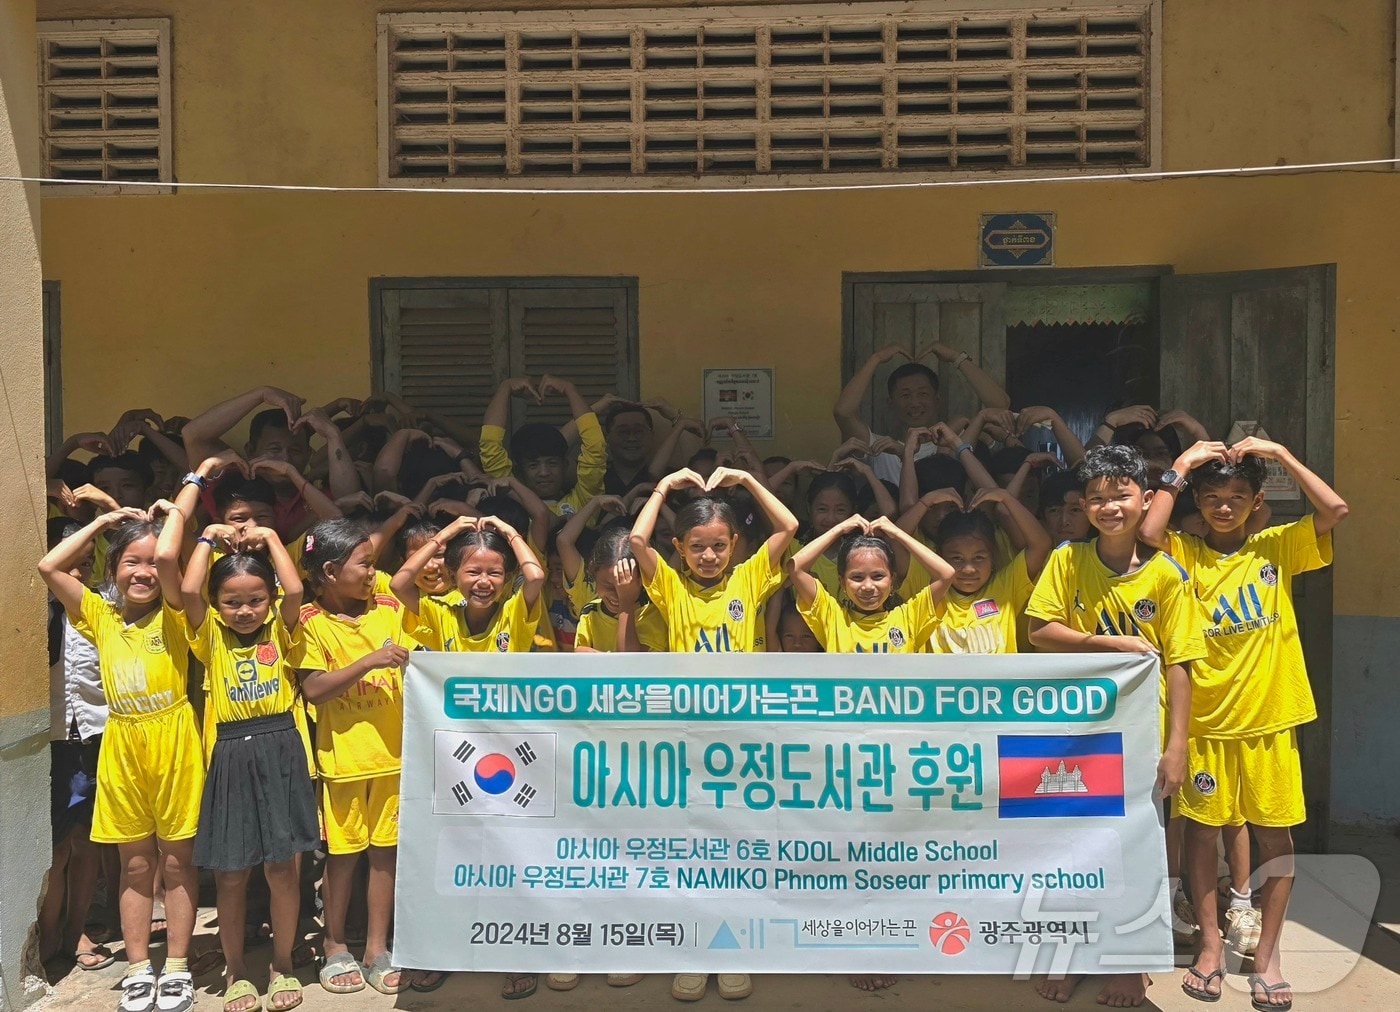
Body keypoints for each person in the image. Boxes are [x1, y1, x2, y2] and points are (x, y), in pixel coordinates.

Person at [1140, 438, 1347, 1009]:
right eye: (1212, 497)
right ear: (1198, 502)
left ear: (1257, 502)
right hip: (1204, 727)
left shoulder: (1276, 547)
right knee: (1202, 837)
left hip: (1269, 725)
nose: (1224, 507)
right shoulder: (1182, 551)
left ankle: (1267, 956)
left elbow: (1334, 511)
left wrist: (1281, 455)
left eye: (1237, 497)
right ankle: (1210, 945)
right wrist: (1179, 468)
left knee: (1274, 838)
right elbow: (1148, 533)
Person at [1024, 445, 1206, 1009]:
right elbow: (1039, 629)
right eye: (1097, 498)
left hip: (1142, 738)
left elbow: (1180, 665)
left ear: (1146, 501)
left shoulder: (1168, 575)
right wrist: (1111, 644)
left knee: (1138, 851)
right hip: (1077, 733)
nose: (1109, 507)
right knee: (1071, 848)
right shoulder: (1066, 560)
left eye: (1121, 495)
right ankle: (1073, 954)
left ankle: (1130, 965)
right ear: (1083, 505)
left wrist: (1176, 747)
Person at [630, 466, 797, 1002]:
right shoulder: (671, 589)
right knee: (689, 850)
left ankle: (733, 952)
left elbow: (789, 525)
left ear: (734, 545)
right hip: (686, 740)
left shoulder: (750, 578)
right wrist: (664, 488)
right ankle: (691, 952)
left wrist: (746, 480)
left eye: (719, 545)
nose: (708, 556)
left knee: (739, 849)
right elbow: (636, 539)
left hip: (745, 739)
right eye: (696, 546)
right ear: (679, 547)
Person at [39, 505, 203, 1012]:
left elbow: (173, 556)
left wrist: (176, 508)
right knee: (134, 866)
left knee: (176, 864)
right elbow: (49, 568)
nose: (145, 572)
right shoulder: (101, 618)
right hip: (123, 746)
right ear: (113, 569)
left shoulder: (175, 616)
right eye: (132, 561)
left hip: (175, 743)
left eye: (154, 563)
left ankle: (176, 966)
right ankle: (137, 968)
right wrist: (99, 526)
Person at [391, 513, 544, 1000]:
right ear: (453, 575)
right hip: (453, 761)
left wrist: (508, 531)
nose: (484, 582)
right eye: (472, 572)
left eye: (495, 571)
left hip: (514, 761)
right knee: (448, 859)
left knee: (513, 858)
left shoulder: (518, 610)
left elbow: (537, 575)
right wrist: (449, 533)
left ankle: (518, 956)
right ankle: (438, 953)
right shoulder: (437, 614)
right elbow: (399, 581)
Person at [176, 522, 317, 1012]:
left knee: (283, 869)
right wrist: (208, 539)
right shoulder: (209, 633)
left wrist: (272, 538)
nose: (244, 611)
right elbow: (190, 587)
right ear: (217, 605)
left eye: (255, 599)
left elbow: (295, 586)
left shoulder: (283, 625)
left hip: (282, 745)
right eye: (232, 601)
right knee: (232, 873)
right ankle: (237, 971)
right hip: (231, 752)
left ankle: (282, 963)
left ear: (270, 599)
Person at [293, 519, 414, 997]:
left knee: (386, 855)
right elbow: (314, 689)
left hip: (395, 759)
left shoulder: (388, 608)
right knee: (342, 859)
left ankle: (377, 949)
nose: (371, 572)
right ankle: (335, 943)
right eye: (364, 564)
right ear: (328, 570)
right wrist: (368, 662)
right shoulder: (308, 621)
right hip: (342, 764)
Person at [39, 520, 112, 974]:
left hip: (95, 737)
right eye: (70, 564)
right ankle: (47, 936)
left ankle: (76, 931)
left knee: (87, 845)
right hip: (50, 745)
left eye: (85, 564)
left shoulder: (102, 608)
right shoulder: (29, 614)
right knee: (56, 850)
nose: (79, 574)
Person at [833, 343, 1009, 483]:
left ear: (937, 399)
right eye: (905, 395)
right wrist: (876, 358)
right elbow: (843, 413)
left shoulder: (958, 439)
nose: (915, 403)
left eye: (923, 394)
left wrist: (957, 358)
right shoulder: (879, 448)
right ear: (890, 403)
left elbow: (1000, 405)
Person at [790, 514, 954, 654]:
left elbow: (946, 574)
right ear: (842, 582)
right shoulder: (833, 617)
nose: (868, 586)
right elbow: (796, 568)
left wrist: (897, 533)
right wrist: (839, 528)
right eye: (857, 577)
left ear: (893, 581)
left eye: (877, 576)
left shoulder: (908, 616)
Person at [930, 488, 1051, 654]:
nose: (969, 569)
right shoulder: (929, 594)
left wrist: (1007, 498)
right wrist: (925, 502)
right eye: (957, 559)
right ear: (939, 557)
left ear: (993, 556)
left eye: (979, 558)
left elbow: (1041, 544)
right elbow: (897, 546)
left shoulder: (1006, 586)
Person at [480, 375, 607, 517]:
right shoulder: (510, 498)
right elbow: (490, 447)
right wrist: (505, 387)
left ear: (565, 465)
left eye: (552, 463)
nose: (544, 473)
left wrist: (569, 389)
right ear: (519, 471)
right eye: (533, 465)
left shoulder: (585, 501)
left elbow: (596, 448)